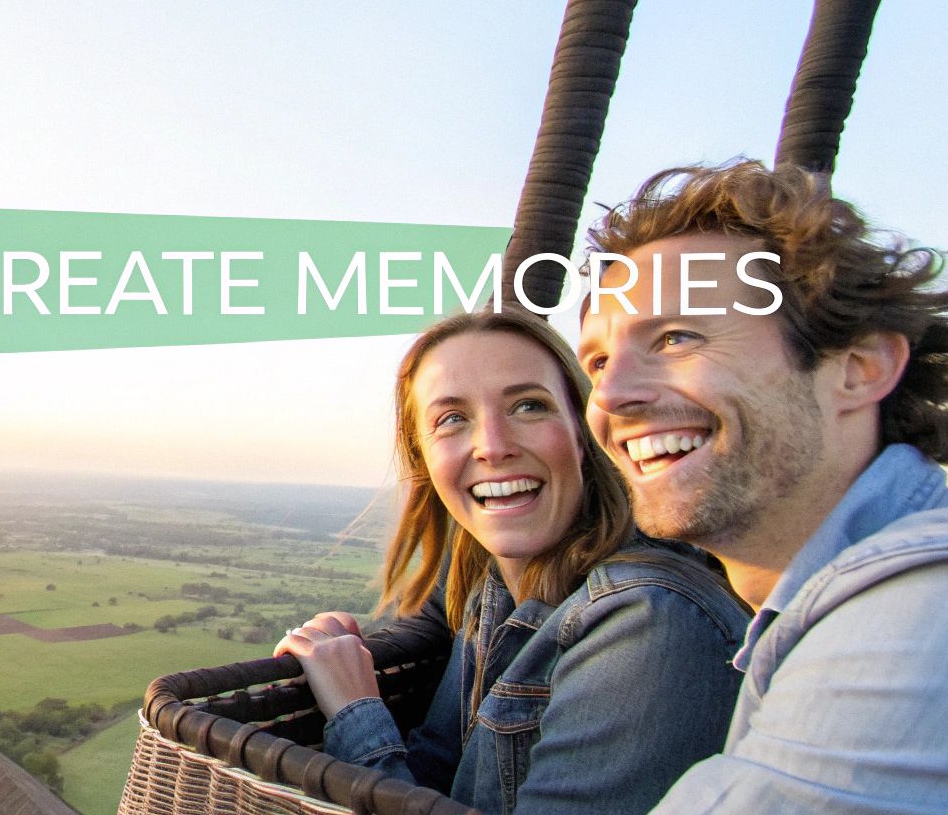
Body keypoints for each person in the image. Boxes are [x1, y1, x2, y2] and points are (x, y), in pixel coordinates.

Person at [575, 160, 948, 813]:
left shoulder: (947, 605)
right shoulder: (811, 610)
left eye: (678, 336)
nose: (610, 396)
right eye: (598, 361)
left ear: (858, 368)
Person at [277, 309, 749, 815]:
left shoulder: (647, 624)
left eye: (528, 406)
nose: (494, 447)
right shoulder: (494, 591)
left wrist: (356, 714)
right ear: (425, 460)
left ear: (583, 434)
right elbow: (437, 780)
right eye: (452, 419)